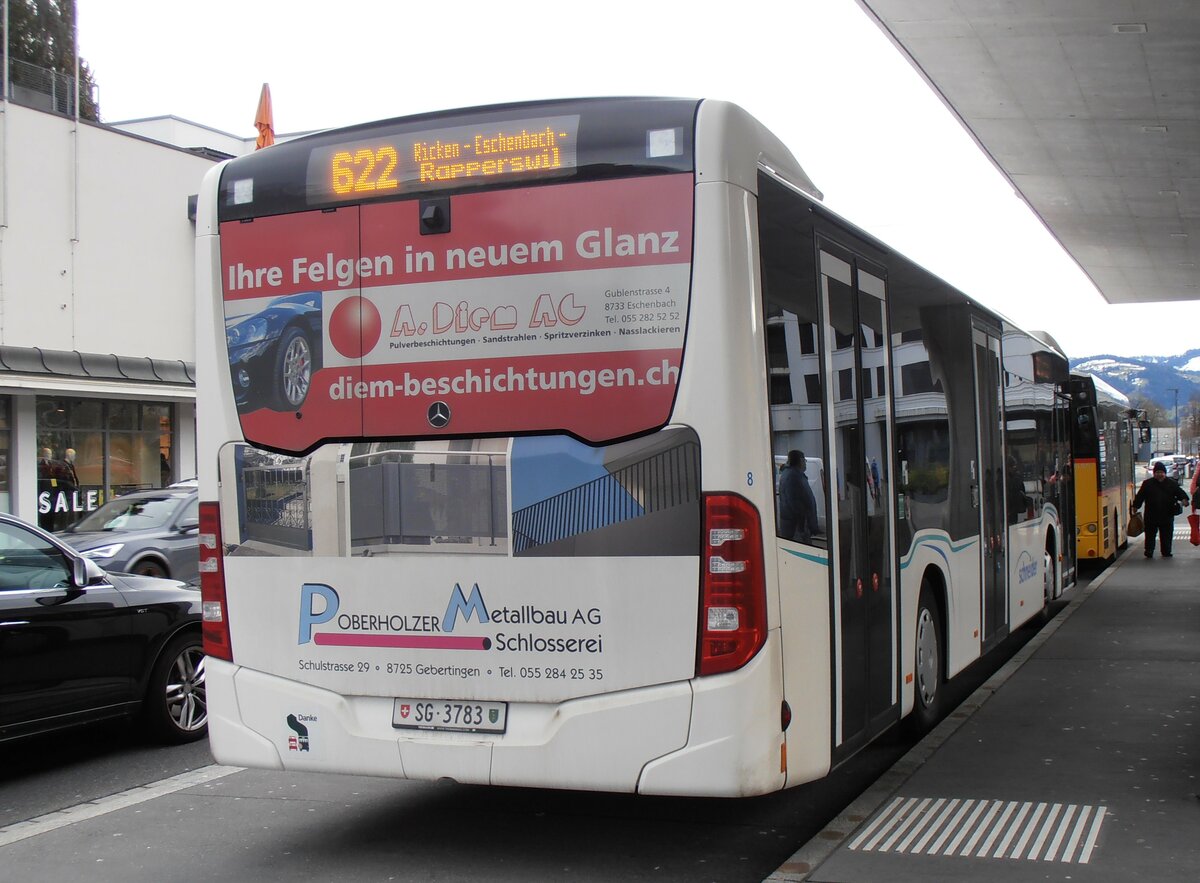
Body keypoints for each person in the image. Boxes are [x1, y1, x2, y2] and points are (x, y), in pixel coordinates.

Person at [1132, 461, 1189, 558]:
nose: (1159, 474)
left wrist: (1184, 500)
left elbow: (1180, 493)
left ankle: (1166, 551)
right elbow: (1140, 496)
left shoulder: (1172, 483)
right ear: (1154, 473)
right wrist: (1136, 506)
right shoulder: (1147, 484)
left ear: (1165, 473)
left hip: (1167, 514)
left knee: (1166, 535)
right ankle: (1149, 551)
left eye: (1161, 472)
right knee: (1150, 535)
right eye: (1157, 472)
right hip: (1151, 514)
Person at [778, 449, 818, 543]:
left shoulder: (792, 474)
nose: (805, 463)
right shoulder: (793, 477)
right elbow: (795, 504)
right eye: (805, 461)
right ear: (801, 460)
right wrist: (804, 527)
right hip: (797, 530)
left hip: (796, 527)